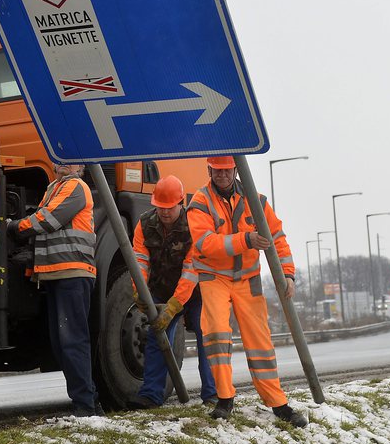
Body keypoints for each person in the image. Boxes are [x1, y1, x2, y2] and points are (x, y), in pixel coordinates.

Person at [186, 156, 308, 426]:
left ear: (235, 170)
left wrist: (288, 274)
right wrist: (247, 239)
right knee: (217, 334)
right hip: (214, 277)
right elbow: (206, 244)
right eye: (217, 171)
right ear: (209, 170)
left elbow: (278, 238)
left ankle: (278, 403)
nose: (222, 176)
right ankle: (224, 398)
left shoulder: (257, 200)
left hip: (248, 279)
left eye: (226, 170)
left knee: (260, 342)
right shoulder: (200, 202)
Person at [8, 162, 101, 417]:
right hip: (56, 273)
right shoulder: (53, 187)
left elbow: (48, 220)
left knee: (72, 341)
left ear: (80, 166)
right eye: (60, 159)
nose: (63, 165)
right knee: (62, 344)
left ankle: (86, 406)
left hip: (72, 272)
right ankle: (89, 400)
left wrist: (14, 227)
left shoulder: (76, 187)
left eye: (69, 160)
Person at [126, 175, 217, 410]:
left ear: (180, 203)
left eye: (169, 208)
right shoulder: (144, 224)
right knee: (157, 336)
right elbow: (140, 261)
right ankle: (151, 394)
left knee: (206, 336)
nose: (164, 213)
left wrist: (175, 306)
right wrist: (141, 293)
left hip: (196, 291)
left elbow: (190, 269)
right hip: (161, 288)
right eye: (160, 207)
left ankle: (213, 394)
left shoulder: (193, 225)